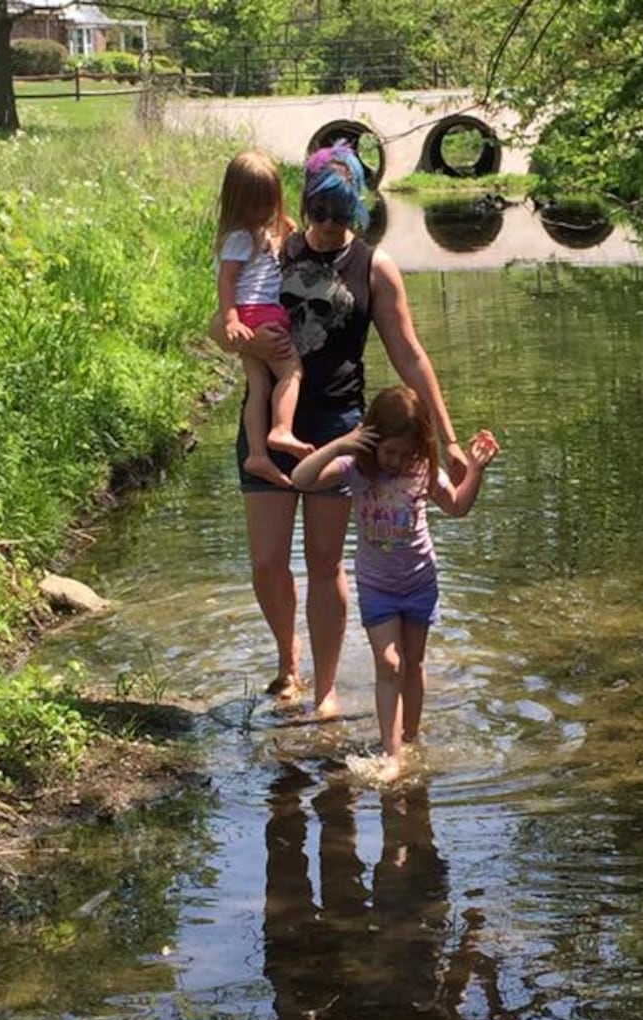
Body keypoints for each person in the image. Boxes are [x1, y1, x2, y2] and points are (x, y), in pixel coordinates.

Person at [210, 143, 471, 720]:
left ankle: (325, 687)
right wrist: (238, 337)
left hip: (339, 428)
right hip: (267, 423)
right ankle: (288, 663)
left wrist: (448, 438)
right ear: (302, 206)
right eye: (318, 214)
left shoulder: (374, 267)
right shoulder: (274, 247)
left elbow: (409, 354)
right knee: (266, 562)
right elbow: (220, 320)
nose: (326, 228)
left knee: (325, 563)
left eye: (340, 216)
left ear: (357, 211)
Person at [292, 386, 499, 780]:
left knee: (414, 664)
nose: (397, 461)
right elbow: (301, 479)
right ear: (371, 442)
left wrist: (475, 471)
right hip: (377, 586)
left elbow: (456, 506)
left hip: (420, 581)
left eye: (406, 453)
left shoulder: (422, 469)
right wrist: (340, 445)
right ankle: (393, 755)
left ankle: (410, 736)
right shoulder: (356, 469)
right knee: (389, 664)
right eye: (389, 452)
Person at [213, 149, 313, 487]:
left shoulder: (247, 234)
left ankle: (256, 454)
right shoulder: (241, 238)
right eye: (257, 206)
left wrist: (281, 231)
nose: (264, 213)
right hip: (258, 313)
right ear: (238, 204)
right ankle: (282, 429)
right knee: (291, 371)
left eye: (269, 204)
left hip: (247, 318)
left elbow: (265, 255)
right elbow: (226, 282)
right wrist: (229, 319)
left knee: (258, 385)